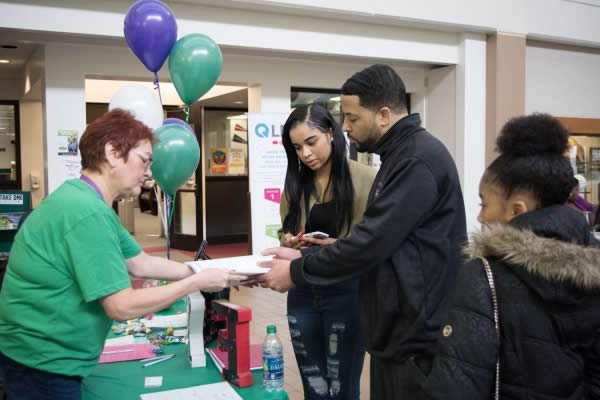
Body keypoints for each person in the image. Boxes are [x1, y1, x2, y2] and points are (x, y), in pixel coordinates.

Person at [0, 109, 245, 400]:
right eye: (144, 160)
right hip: (42, 364)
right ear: (114, 153)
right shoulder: (86, 211)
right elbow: (121, 306)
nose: (149, 171)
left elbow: (140, 263)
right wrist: (196, 283)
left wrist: (204, 270)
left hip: (37, 356)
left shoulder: (82, 198)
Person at [257, 64, 467, 399]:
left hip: (412, 328)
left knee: (343, 386)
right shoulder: (398, 158)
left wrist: (297, 269)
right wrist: (298, 251)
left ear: (383, 115)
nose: (346, 127)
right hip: (393, 322)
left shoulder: (414, 160)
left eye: (352, 118)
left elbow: (369, 243)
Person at [423, 113, 600, 399]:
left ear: (517, 210)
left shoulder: (484, 276)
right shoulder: (593, 269)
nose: (480, 216)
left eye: (484, 203)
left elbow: (456, 384)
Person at [278, 104, 376, 399]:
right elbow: (286, 232)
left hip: (346, 292)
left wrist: (336, 245)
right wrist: (289, 241)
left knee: (342, 387)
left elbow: (372, 242)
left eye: (311, 142)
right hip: (302, 291)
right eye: (297, 148)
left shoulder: (365, 178)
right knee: (314, 386)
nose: (306, 154)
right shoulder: (295, 184)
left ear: (331, 135)